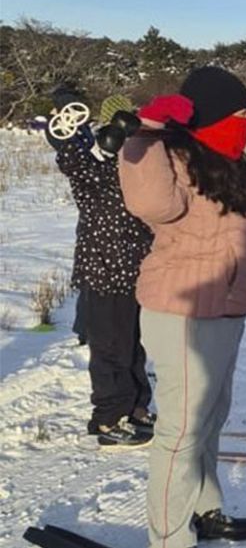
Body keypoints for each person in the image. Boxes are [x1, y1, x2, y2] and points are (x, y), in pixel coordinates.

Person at [118, 66, 246, 547]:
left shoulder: (227, 160)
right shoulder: (169, 156)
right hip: (180, 312)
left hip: (226, 309)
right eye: (241, 113)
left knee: (210, 420)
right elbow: (152, 205)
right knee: (180, 433)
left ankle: (206, 511)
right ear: (217, 114)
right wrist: (145, 133)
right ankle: (168, 538)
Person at [45, 87, 154, 449]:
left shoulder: (132, 162)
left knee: (134, 344)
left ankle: (137, 405)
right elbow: (69, 155)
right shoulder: (89, 160)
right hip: (105, 268)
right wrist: (70, 118)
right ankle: (109, 417)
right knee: (110, 348)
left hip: (136, 265)